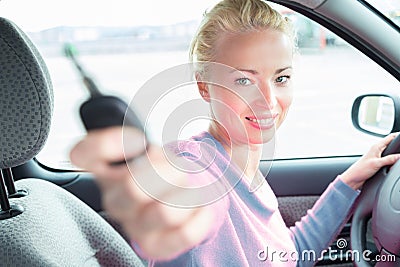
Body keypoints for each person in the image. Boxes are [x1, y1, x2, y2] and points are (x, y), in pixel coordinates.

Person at [70, 0, 400, 266]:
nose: (268, 101)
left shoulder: (246, 169)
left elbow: (286, 255)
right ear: (204, 87)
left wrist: (349, 181)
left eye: (281, 78)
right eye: (244, 80)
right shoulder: (196, 164)